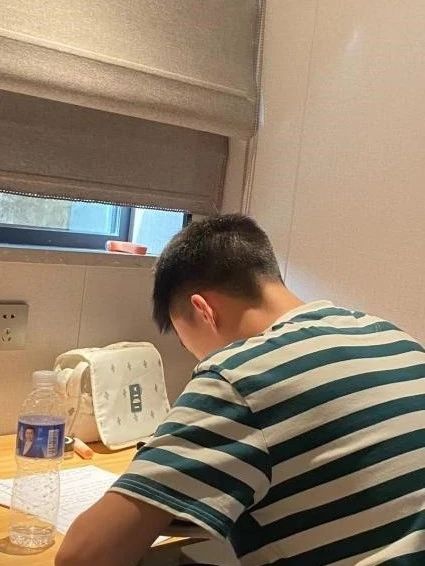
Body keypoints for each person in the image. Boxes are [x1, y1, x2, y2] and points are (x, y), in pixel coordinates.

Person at [56, 215, 425, 566]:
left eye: (186, 343)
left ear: (203, 310)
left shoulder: (239, 375)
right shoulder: (394, 340)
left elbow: (83, 557)